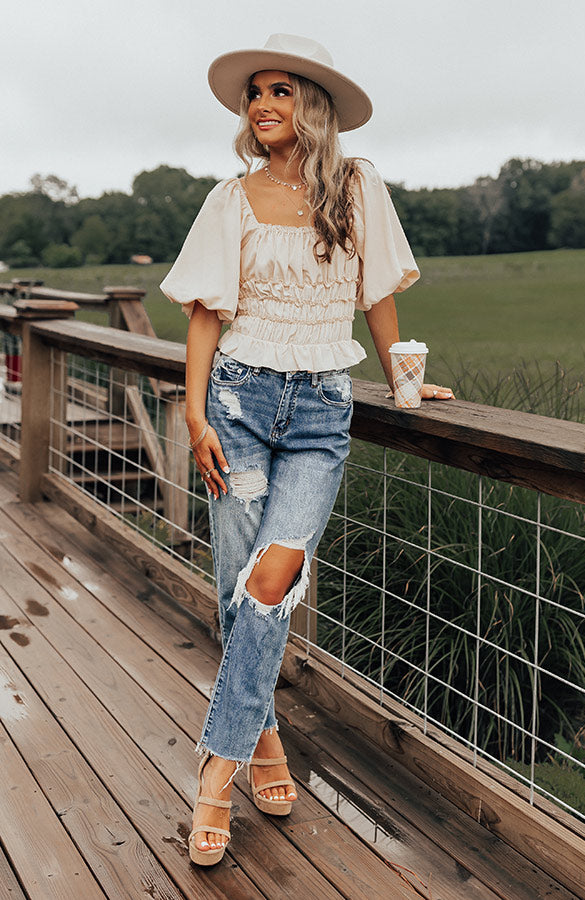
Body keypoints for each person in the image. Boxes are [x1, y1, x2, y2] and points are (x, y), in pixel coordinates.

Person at [160, 33, 454, 866]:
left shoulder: (357, 187)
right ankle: (265, 743)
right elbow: (207, 316)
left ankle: (215, 773)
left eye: (280, 90)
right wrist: (194, 414)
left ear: (312, 106)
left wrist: (403, 385)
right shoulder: (230, 198)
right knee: (236, 592)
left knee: (268, 581)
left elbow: (379, 295)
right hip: (239, 404)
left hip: (322, 412)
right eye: (255, 93)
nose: (263, 106)